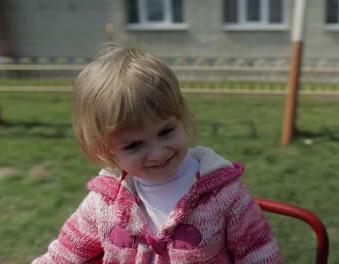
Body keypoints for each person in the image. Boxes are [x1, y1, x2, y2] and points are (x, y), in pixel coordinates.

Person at [32, 46, 281, 263]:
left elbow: (258, 252)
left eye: (166, 131)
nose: (158, 152)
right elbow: (64, 253)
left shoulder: (226, 197)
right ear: (106, 147)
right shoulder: (104, 203)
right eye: (134, 145)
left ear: (181, 116)